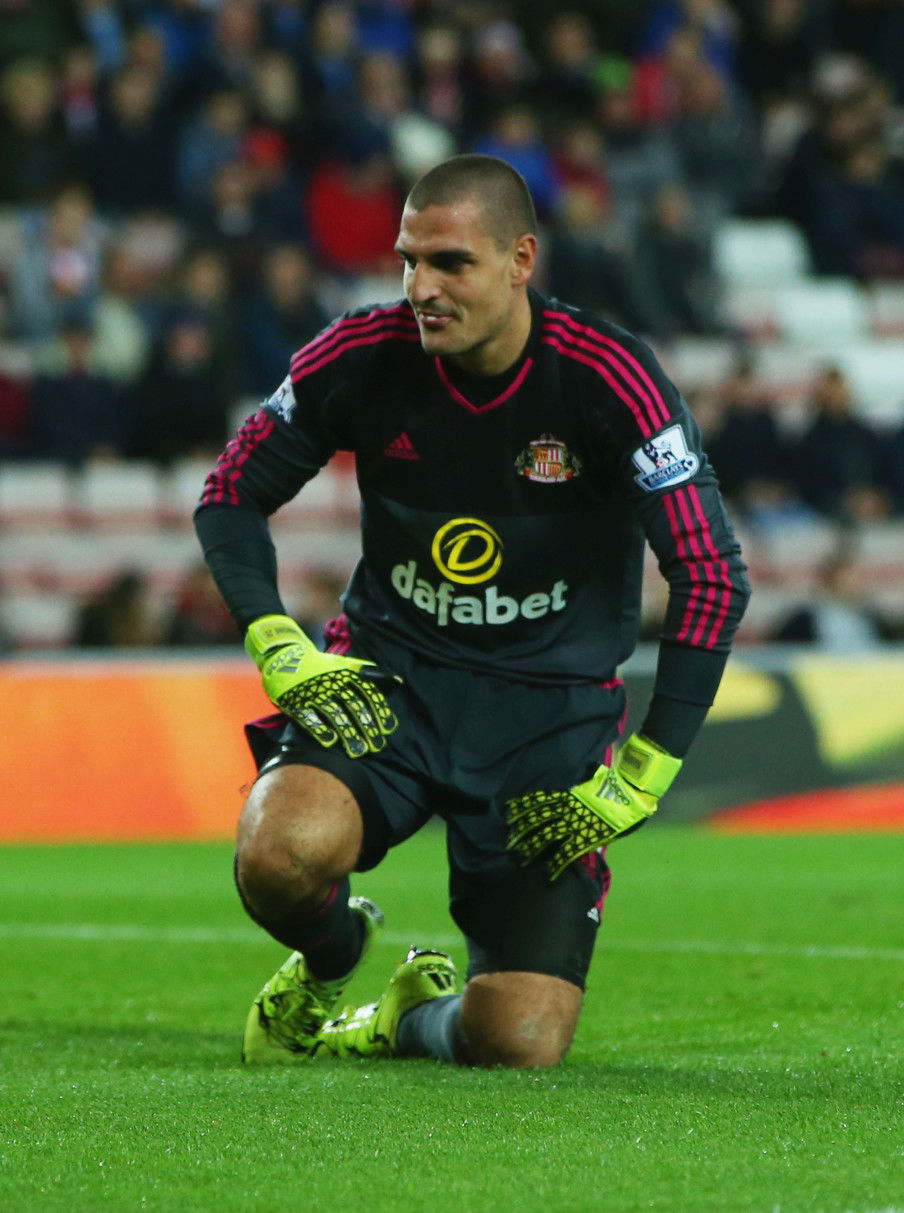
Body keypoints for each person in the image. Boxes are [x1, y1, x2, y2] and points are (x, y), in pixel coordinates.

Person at [194, 154, 749, 1070]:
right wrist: (278, 640)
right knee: (275, 854)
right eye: (409, 260)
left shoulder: (612, 380)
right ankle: (330, 957)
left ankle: (402, 1020)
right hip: (392, 683)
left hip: (549, 715)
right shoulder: (360, 356)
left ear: (521, 260)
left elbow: (709, 572)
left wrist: (644, 771)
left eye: (451, 262)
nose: (421, 287)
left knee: (519, 1043)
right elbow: (228, 493)